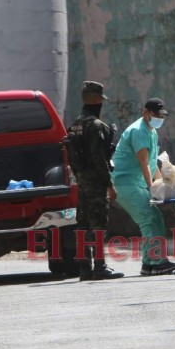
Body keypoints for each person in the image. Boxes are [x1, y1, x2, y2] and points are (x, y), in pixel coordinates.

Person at [111, 98, 175, 275]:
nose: (159, 119)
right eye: (156, 115)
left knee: (155, 217)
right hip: (125, 182)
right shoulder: (138, 131)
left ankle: (149, 263)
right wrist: (152, 190)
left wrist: (161, 185)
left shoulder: (151, 131)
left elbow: (151, 164)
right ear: (146, 113)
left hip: (136, 182)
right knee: (148, 218)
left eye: (162, 116)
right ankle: (156, 262)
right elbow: (143, 163)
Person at [70, 81, 123, 281]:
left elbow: (71, 156)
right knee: (98, 224)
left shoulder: (74, 124)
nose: (101, 103)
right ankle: (99, 266)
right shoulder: (95, 125)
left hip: (82, 182)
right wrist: (109, 184)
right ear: (94, 99)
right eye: (100, 99)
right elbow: (99, 158)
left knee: (83, 224)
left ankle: (85, 268)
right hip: (95, 182)